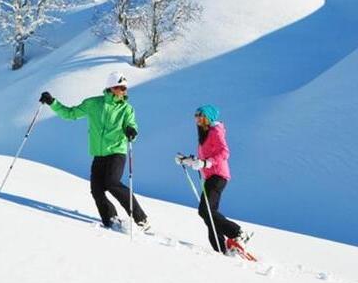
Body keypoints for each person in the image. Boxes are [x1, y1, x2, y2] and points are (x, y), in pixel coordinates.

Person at [39, 71, 150, 232]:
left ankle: (141, 219)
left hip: (116, 152)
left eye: (125, 88)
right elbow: (70, 114)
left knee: (112, 183)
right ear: (111, 87)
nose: (124, 91)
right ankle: (111, 220)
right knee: (96, 190)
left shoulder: (126, 109)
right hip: (98, 154)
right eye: (120, 87)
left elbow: (131, 125)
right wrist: (52, 102)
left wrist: (132, 130)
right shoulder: (93, 104)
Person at [176, 104, 249, 254]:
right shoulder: (205, 132)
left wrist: (206, 163)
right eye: (195, 115)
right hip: (210, 176)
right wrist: (187, 160)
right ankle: (221, 249)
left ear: (208, 117)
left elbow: (224, 152)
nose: (196, 118)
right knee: (208, 213)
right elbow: (204, 158)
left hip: (218, 176)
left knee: (205, 211)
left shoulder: (216, 130)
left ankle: (237, 233)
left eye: (199, 115)